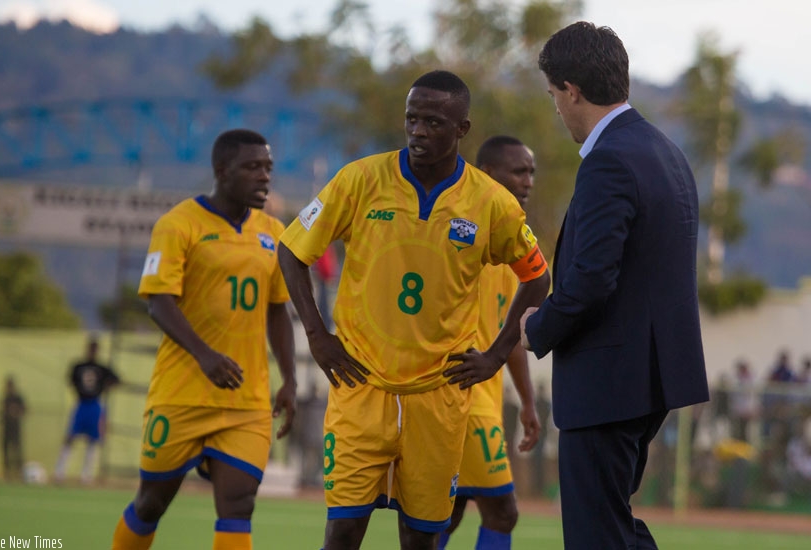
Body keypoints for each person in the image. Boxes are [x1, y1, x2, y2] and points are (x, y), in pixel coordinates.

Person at [277, 70, 551, 550]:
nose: (419, 131)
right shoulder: (360, 179)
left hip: (439, 399)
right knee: (342, 531)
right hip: (360, 388)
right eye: (412, 119)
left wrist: (494, 355)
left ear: (462, 129)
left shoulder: (491, 203)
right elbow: (291, 249)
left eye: (434, 122)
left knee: (422, 539)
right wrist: (317, 336)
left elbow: (538, 278)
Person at [519, 22, 709, 550]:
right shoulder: (665, 151)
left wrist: (539, 327)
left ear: (572, 91)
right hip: (647, 377)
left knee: (595, 534)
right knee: (612, 526)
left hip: (609, 380)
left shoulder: (609, 159)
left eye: (555, 95)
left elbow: (591, 280)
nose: (557, 108)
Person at [111, 128, 297, 550]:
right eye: (252, 167)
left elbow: (277, 310)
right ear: (221, 170)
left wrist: (289, 378)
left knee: (238, 507)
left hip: (246, 401)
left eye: (267, 167)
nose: (264, 177)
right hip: (181, 396)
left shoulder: (275, 231)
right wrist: (205, 356)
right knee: (151, 503)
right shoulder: (178, 225)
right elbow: (159, 303)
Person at [438, 135, 542, 550]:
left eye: (532, 172)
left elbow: (509, 335)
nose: (529, 181)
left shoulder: (513, 243)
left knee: (447, 514)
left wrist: (528, 402)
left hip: (484, 400)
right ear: (487, 174)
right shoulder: (464, 235)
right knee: (501, 512)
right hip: (463, 399)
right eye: (520, 171)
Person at [54, 335, 120, 484]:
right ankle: (60, 472)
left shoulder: (102, 368)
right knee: (70, 437)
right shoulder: (78, 366)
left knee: (93, 440)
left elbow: (116, 380)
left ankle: (86, 475)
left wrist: (105, 387)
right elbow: (70, 381)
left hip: (95, 405)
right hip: (81, 404)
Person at [1, 376, 27, 481]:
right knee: (5, 450)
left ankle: (19, 472)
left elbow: (24, 410)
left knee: (17, 450)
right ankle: (7, 473)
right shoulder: (6, 398)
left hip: (15, 428)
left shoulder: (18, 398)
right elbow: (3, 413)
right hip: (6, 428)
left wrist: (15, 412)